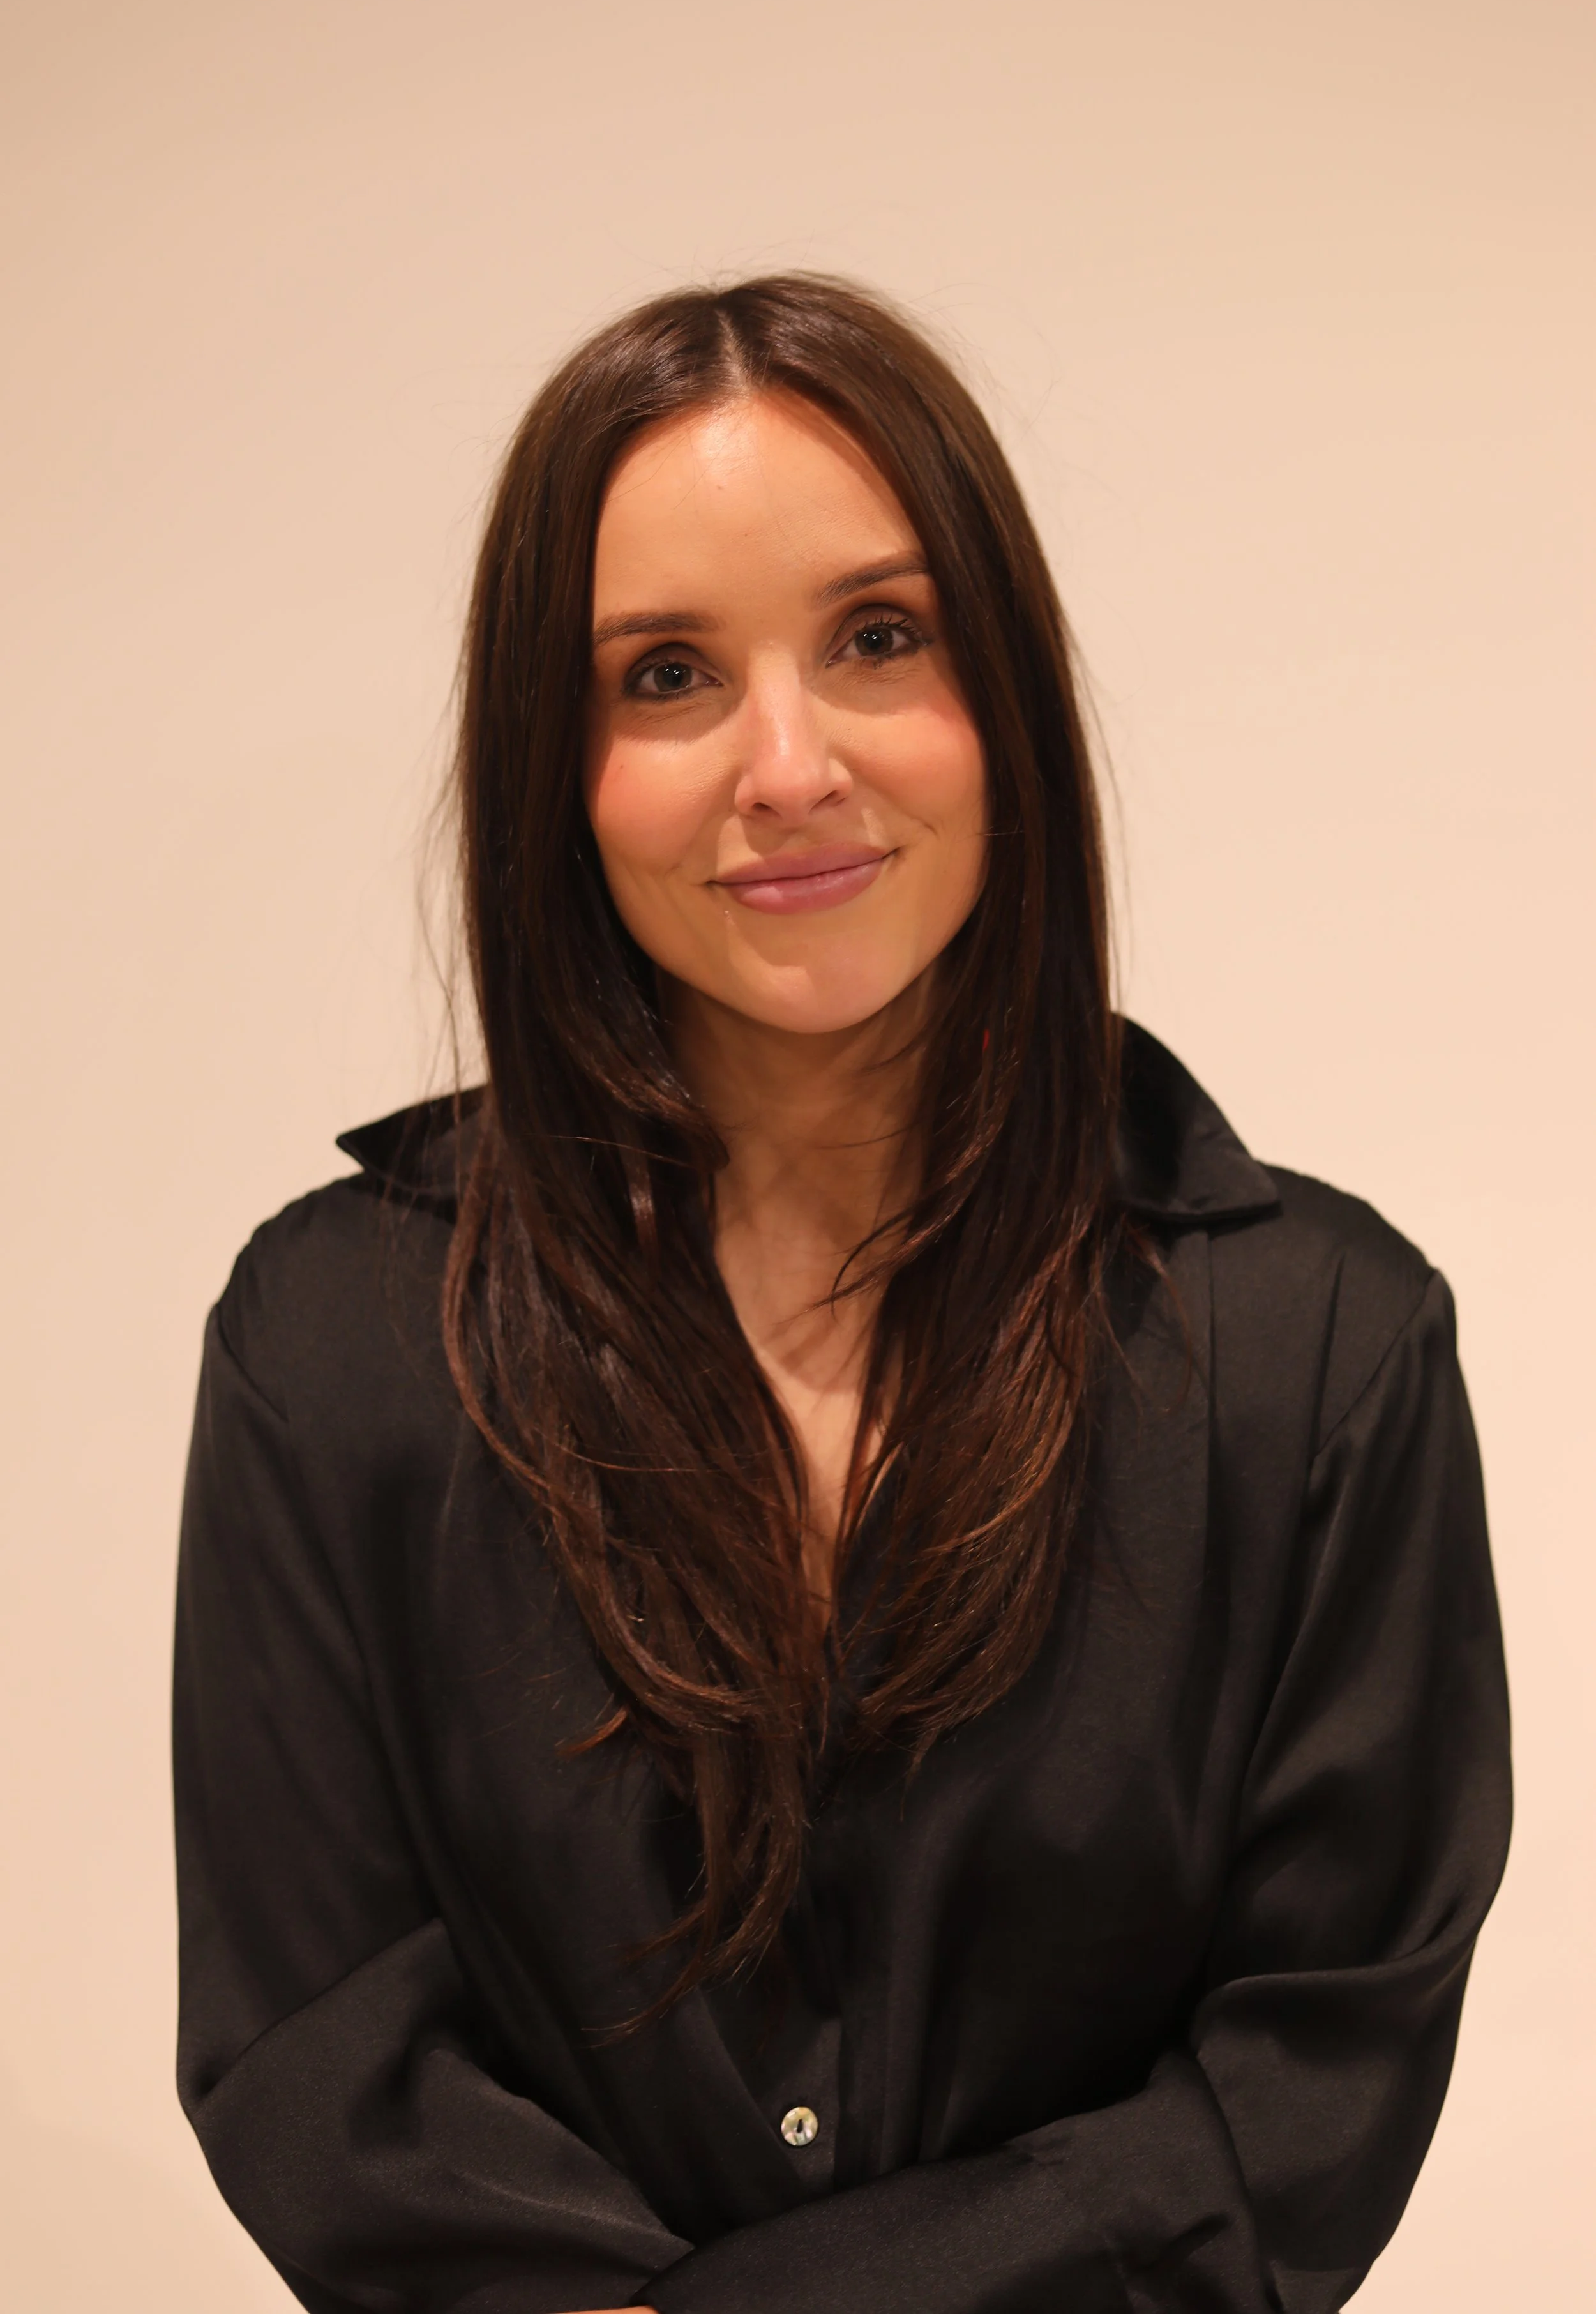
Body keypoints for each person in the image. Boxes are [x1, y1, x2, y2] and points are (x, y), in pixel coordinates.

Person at [173, 275, 1510, 2314]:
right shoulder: (329, 1344)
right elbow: (317, 2049)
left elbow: (1307, 2078)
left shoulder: (1323, 1356)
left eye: (878, 638)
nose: (785, 766)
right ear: (557, 761)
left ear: (1008, 696)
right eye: (666, 674)